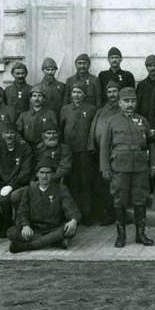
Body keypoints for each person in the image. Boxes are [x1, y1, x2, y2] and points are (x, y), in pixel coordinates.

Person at [100, 87, 155, 247]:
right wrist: (105, 168)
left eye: (132, 101)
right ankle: (121, 236)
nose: (130, 104)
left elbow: (150, 145)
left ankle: (141, 234)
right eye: (126, 101)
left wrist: (153, 164)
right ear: (119, 103)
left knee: (140, 199)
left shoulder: (143, 120)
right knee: (120, 200)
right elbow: (104, 147)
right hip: (120, 167)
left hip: (140, 166)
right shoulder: (112, 121)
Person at [7, 162, 81, 253]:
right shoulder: (29, 190)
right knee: (11, 232)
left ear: (53, 174)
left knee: (69, 229)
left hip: (55, 227)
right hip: (35, 229)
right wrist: (25, 225)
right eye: (42, 172)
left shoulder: (61, 189)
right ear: (37, 174)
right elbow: (23, 211)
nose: (45, 176)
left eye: (48, 173)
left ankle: (28, 246)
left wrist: (73, 220)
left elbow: (70, 207)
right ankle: (54, 241)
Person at [0, 122, 33, 237]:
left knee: (4, 199)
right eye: (6, 133)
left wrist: (12, 186)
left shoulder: (24, 148)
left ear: (16, 134)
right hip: (0, 183)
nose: (9, 136)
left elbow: (25, 172)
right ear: (2, 135)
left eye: (12, 133)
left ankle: (7, 223)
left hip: (18, 184)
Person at [60, 83, 97, 225]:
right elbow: (61, 128)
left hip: (85, 152)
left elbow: (93, 131)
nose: (76, 95)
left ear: (85, 94)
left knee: (85, 183)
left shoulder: (91, 109)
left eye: (79, 92)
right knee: (71, 184)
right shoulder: (65, 109)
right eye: (74, 92)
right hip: (69, 152)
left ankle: (87, 215)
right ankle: (72, 215)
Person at [87, 81, 121, 225]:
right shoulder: (101, 111)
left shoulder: (122, 109)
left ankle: (119, 213)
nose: (112, 94)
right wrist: (91, 146)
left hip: (118, 152)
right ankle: (107, 213)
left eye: (114, 91)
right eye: (109, 92)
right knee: (104, 183)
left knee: (118, 183)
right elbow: (93, 129)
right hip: (102, 152)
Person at [136, 55, 155, 129]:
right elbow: (138, 106)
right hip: (145, 122)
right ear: (146, 67)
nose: (152, 68)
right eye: (150, 66)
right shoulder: (141, 85)